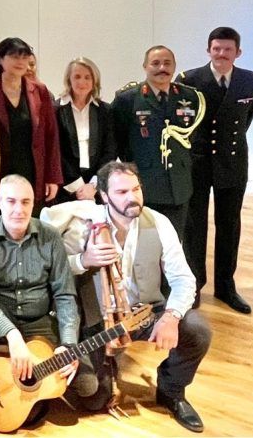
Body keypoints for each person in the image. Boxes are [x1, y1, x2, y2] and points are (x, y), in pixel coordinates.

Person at [40, 161, 211, 433]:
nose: (132, 197)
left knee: (197, 330)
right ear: (104, 196)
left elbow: (183, 278)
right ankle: (105, 366)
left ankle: (171, 391)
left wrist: (171, 317)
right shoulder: (82, 225)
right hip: (97, 325)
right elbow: (48, 270)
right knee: (94, 399)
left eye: (136, 189)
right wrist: (83, 260)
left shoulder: (159, 222)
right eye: (121, 192)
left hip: (143, 314)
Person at [0, 175, 94, 403]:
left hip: (40, 320)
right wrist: (11, 333)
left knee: (89, 387)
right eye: (11, 201)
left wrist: (68, 343)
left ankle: (39, 388)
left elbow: (64, 294)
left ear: (33, 203)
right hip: (0, 319)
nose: (19, 210)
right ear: (0, 201)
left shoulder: (50, 236)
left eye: (25, 202)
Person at [177, 27, 253, 313]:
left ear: (238, 52)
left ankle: (226, 286)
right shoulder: (189, 80)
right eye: (216, 49)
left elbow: (245, 121)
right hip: (197, 161)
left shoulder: (250, 80)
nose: (221, 54)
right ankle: (194, 285)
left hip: (232, 160)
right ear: (208, 50)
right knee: (194, 225)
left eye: (227, 49)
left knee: (229, 225)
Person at [111, 46, 203, 244]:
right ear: (145, 66)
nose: (162, 68)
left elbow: (193, 137)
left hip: (178, 186)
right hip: (144, 185)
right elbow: (117, 140)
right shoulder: (127, 99)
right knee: (144, 246)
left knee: (174, 245)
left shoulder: (190, 97)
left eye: (167, 63)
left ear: (174, 67)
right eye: (155, 63)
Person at [0, 38, 62, 213]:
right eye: (15, 56)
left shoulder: (40, 90)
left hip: (32, 169)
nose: (21, 62)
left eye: (25, 57)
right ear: (0, 59)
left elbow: (51, 136)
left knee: (30, 219)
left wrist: (53, 177)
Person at [54, 57, 116, 204]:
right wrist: (78, 187)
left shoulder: (105, 111)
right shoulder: (55, 110)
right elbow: (55, 151)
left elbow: (110, 150)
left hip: (96, 188)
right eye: (77, 77)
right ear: (68, 79)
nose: (82, 82)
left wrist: (94, 184)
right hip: (65, 188)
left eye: (87, 77)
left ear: (94, 81)